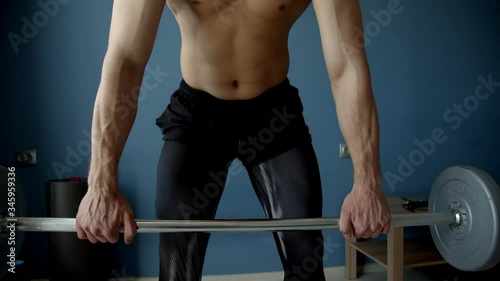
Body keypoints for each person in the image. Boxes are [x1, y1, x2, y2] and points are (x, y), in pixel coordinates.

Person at [76, 0, 391, 280]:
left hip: (274, 117)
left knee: (305, 260)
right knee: (177, 267)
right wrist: (101, 184)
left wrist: (368, 184)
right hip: (196, 120)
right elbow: (125, 61)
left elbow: (347, 65)